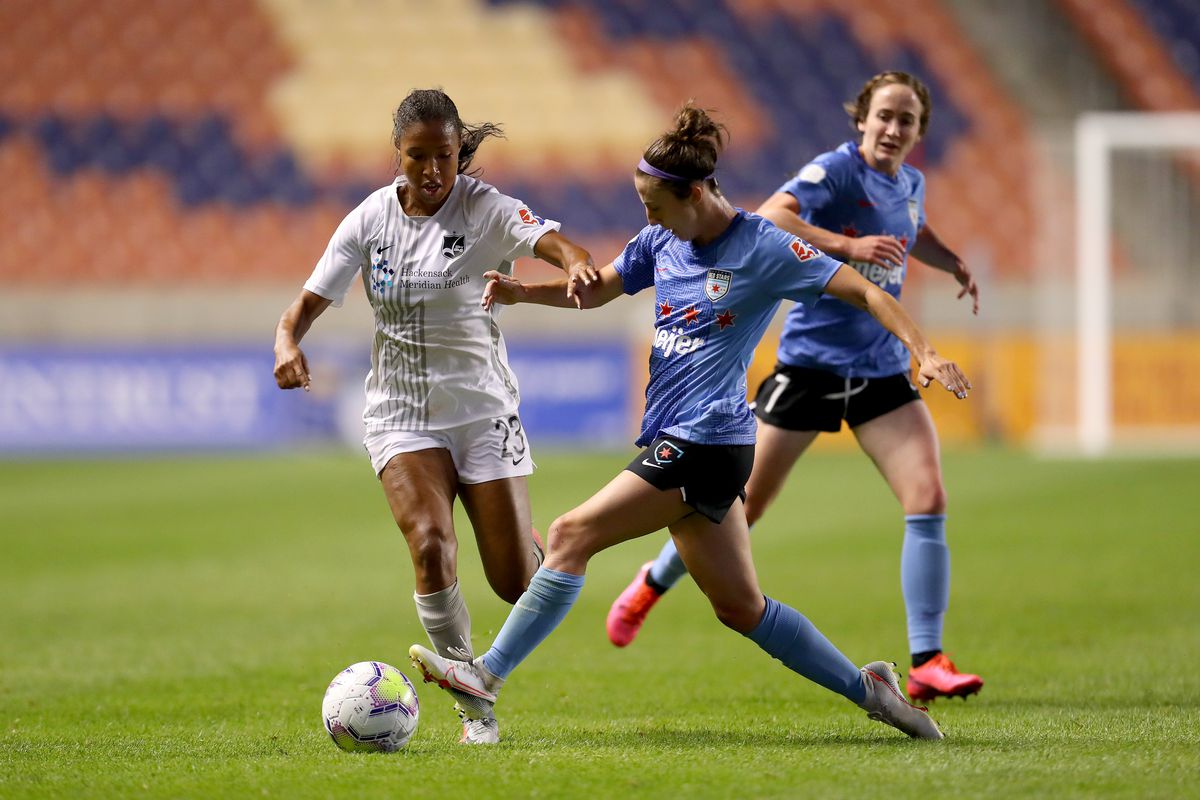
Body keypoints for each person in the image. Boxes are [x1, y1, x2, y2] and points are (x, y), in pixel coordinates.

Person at [408, 104, 971, 744]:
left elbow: (867, 291)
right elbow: (599, 289)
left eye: (655, 205)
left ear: (695, 193)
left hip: (708, 440)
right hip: (684, 441)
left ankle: (487, 674)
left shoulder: (764, 246)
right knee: (742, 609)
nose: (647, 218)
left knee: (570, 533)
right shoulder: (662, 240)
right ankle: (875, 693)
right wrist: (521, 291)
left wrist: (923, 352)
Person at [606, 72, 984, 703]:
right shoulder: (832, 172)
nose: (894, 130)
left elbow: (910, 236)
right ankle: (653, 581)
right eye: (885, 116)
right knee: (740, 505)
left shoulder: (911, 184)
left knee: (928, 496)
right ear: (861, 119)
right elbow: (776, 215)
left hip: (879, 368)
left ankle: (928, 659)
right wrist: (846, 243)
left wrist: (950, 263)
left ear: (920, 131)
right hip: (809, 367)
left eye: (908, 121)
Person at [272, 89, 599, 744]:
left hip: (481, 408)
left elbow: (553, 242)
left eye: (443, 156)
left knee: (514, 584)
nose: (430, 170)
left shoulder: (487, 209)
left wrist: (579, 262)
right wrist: (287, 343)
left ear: (458, 153)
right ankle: (471, 697)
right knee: (429, 542)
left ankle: (532, 551)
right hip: (400, 412)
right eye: (417, 156)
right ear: (397, 154)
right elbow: (305, 304)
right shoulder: (368, 221)